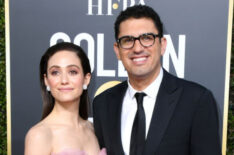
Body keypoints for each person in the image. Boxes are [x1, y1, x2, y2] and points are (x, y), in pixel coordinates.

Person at [93, 5, 221, 155]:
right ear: (117, 50)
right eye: (128, 40)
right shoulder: (103, 103)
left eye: (147, 38)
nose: (137, 48)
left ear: (162, 45)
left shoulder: (196, 100)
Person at [25, 42, 106, 155]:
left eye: (73, 72)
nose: (64, 80)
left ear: (86, 79)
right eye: (55, 72)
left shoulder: (93, 130)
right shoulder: (40, 135)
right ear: (46, 80)